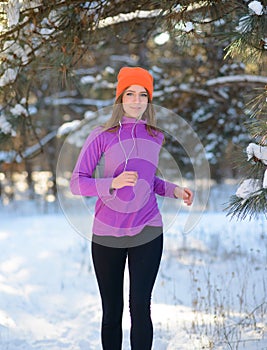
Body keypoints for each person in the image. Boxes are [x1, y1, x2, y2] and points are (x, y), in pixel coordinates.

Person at [70, 67, 193, 350]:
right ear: (120, 98)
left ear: (149, 100)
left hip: (148, 230)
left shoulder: (154, 136)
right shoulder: (101, 135)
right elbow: (77, 183)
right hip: (107, 233)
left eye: (143, 95)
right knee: (112, 312)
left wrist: (174, 190)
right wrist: (111, 183)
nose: (137, 101)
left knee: (140, 308)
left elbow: (148, 180)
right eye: (130, 94)